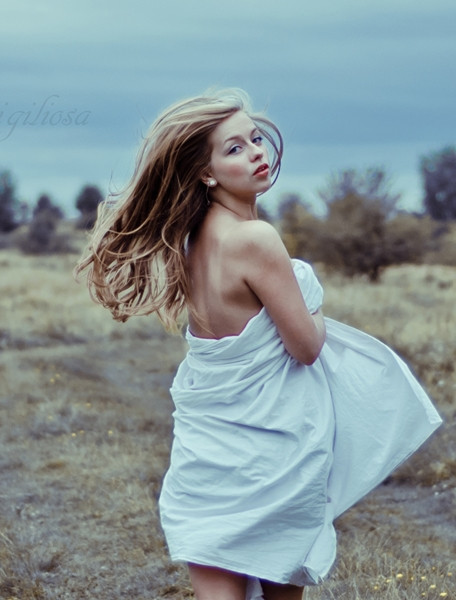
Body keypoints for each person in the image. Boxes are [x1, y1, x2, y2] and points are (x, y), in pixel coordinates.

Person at [74, 88, 442, 600]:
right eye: (234, 148)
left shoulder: (192, 242)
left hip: (209, 453)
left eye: (254, 139)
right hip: (273, 456)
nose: (255, 153)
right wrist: (310, 297)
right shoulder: (256, 240)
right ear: (205, 173)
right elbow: (306, 348)